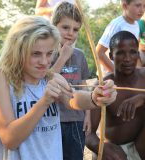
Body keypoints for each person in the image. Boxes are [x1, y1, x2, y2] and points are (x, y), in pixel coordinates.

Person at [0, 16, 117, 160]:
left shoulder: (51, 77)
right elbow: (10, 139)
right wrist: (44, 102)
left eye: (49, 54)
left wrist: (95, 98)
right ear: (17, 51)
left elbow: (72, 99)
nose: (44, 62)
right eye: (36, 54)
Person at [86, 31, 145, 160]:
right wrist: (101, 147)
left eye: (132, 52)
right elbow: (88, 133)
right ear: (111, 56)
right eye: (120, 53)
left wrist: (144, 99)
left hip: (143, 146)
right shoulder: (103, 86)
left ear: (138, 54)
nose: (127, 58)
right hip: (116, 150)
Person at [51, 2, 90, 159]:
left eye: (75, 29)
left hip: (76, 119)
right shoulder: (46, 54)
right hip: (54, 119)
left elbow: (84, 86)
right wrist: (63, 57)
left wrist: (87, 115)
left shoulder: (79, 55)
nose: (70, 33)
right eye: (65, 27)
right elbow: (45, 81)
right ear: (54, 27)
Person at [96, 0, 145, 75]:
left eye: (144, 6)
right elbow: (99, 53)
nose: (142, 10)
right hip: (110, 76)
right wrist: (117, 74)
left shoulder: (136, 25)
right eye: (138, 5)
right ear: (125, 6)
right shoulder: (116, 25)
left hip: (126, 74)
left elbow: (134, 52)